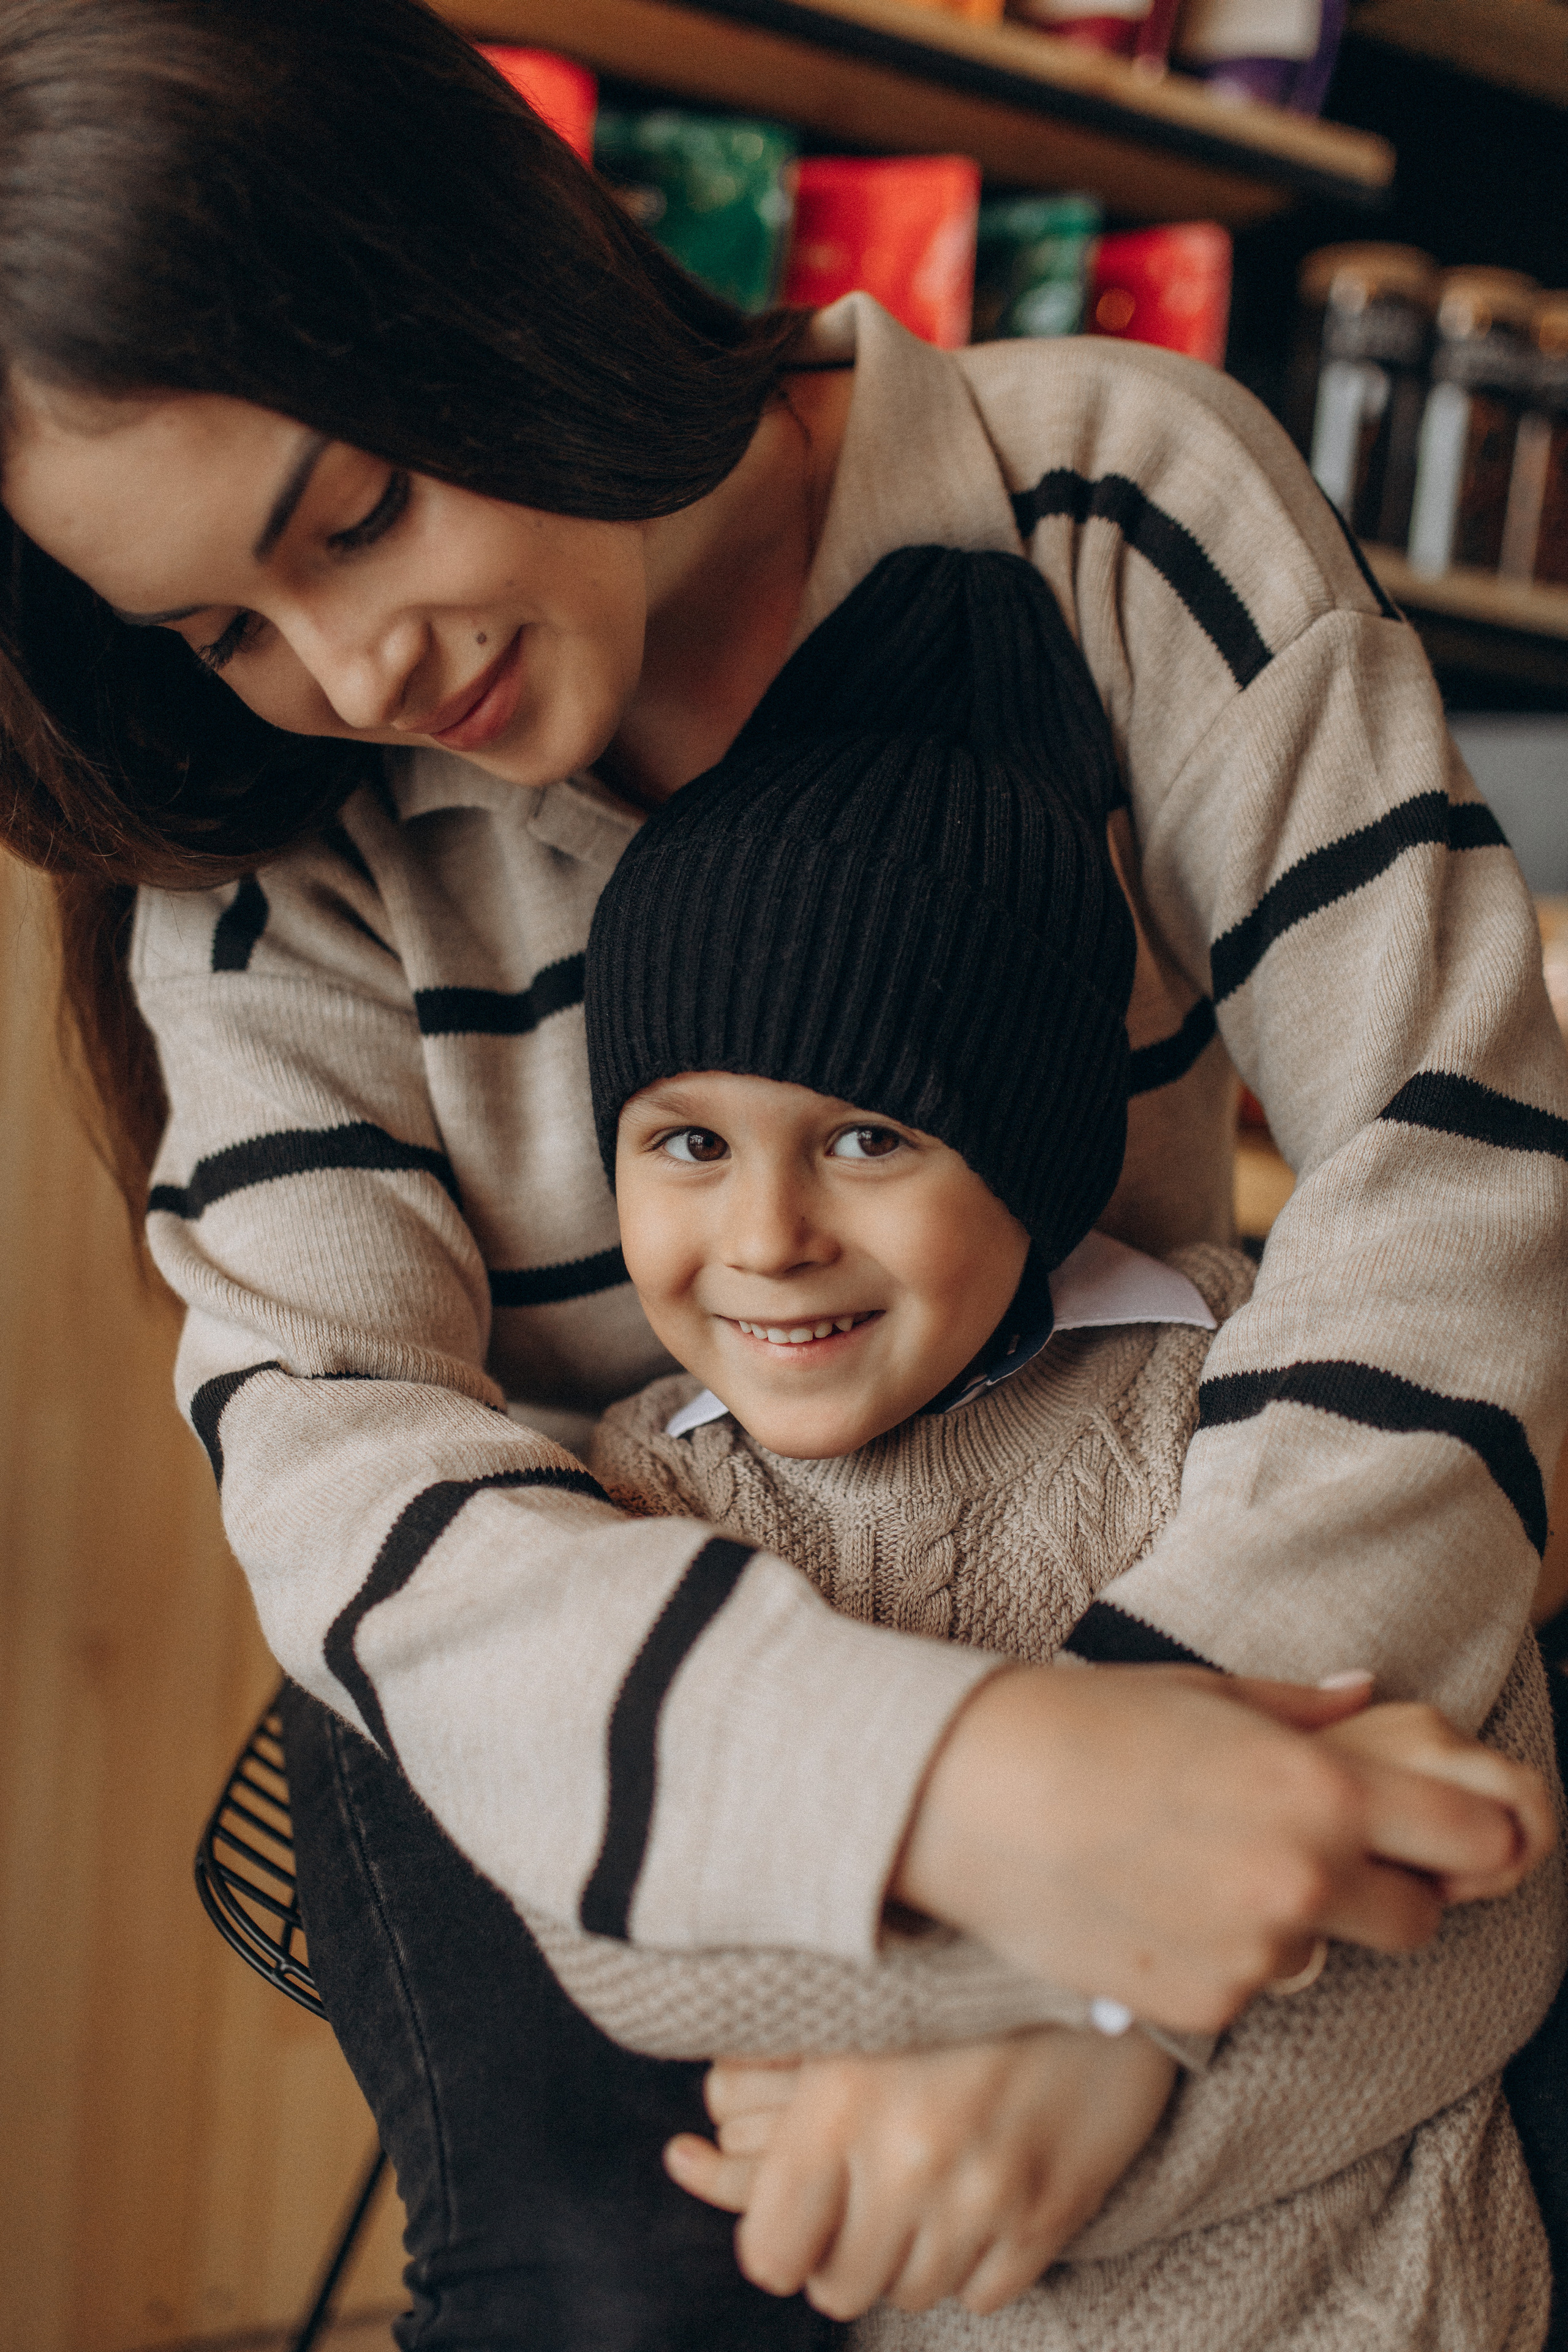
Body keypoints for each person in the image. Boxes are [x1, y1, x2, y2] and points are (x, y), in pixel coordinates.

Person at [0, 2, 1565, 2343]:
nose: (353, 669)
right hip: (560, 1660)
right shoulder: (280, 836)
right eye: (222, 627)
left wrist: (1107, 1994)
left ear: (498, 276)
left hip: (1128, 1549)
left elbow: (1453, 1166)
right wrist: (968, 1798)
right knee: (654, 2284)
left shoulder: (1106, 501)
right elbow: (346, 1465)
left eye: (359, 514)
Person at [511, 538, 1558, 2347]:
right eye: (687, 1143)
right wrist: (1156, 1937)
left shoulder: (1246, 1398)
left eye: (869, 1139)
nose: (765, 1235)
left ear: (1035, 1154)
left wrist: (1067, 2070)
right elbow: (638, 1935)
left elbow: (1485, 1941)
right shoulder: (643, 1496)